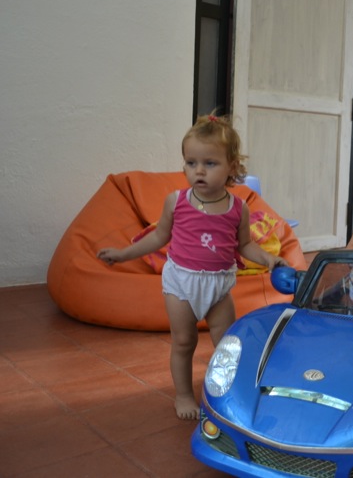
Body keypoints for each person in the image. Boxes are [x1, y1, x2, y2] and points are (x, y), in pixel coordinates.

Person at [97, 113, 286, 419]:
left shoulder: (238, 208)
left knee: (227, 345)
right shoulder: (177, 201)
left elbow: (245, 245)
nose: (199, 170)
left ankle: (229, 393)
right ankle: (184, 395)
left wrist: (268, 259)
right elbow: (158, 236)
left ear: (232, 167)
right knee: (184, 341)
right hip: (182, 284)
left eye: (210, 163)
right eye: (191, 162)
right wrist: (123, 254)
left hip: (219, 285)